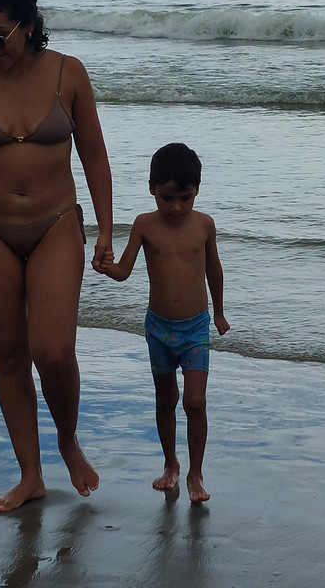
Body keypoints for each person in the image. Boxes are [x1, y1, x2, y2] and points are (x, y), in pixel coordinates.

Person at [0, 0, 114, 511]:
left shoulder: (69, 73)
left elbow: (94, 156)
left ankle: (67, 440)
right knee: (9, 352)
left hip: (56, 224)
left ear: (29, 26)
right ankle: (30, 475)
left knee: (54, 349)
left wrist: (106, 230)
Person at [99, 143, 229, 503]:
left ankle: (196, 472)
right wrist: (105, 267)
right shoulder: (144, 224)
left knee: (195, 401)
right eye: (167, 197)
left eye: (185, 198)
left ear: (197, 191)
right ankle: (170, 464)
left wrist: (218, 312)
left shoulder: (204, 224)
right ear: (152, 188)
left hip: (195, 329)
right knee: (166, 397)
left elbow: (214, 270)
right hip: (157, 328)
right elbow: (124, 271)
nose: (176, 207)